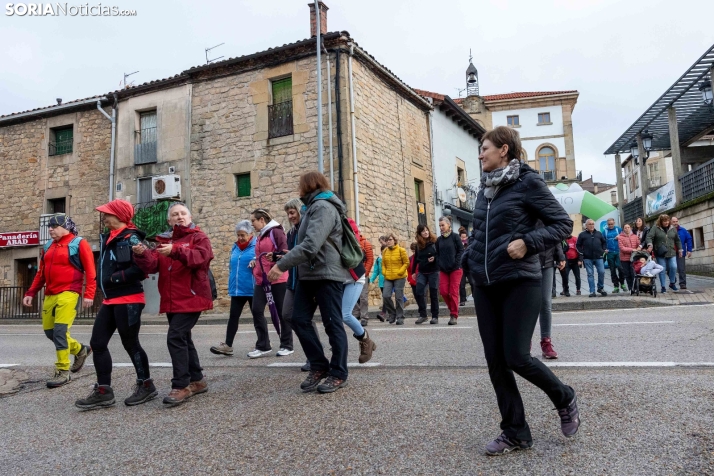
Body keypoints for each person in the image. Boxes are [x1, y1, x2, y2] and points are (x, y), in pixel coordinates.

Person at [465, 126, 578, 455]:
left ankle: (564, 397)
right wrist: (469, 259)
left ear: (504, 150)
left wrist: (528, 243)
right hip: (486, 284)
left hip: (520, 280)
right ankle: (515, 431)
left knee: (515, 355)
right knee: (496, 361)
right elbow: (480, 234)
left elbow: (562, 224)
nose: (480, 153)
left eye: (484, 147)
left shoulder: (527, 182)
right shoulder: (484, 190)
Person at [266, 171, 350, 394]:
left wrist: (281, 264)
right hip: (309, 274)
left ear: (307, 186)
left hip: (327, 274)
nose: (298, 188)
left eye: (300, 184)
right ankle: (319, 365)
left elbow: (311, 245)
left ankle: (339, 372)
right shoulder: (311, 208)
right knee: (298, 319)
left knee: (332, 323)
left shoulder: (323, 207)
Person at [75, 200, 156, 410]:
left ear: (120, 216)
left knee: (131, 343)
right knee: (98, 343)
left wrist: (115, 279)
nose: (104, 217)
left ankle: (146, 385)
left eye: (107, 214)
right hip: (110, 299)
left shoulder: (132, 237)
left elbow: (142, 269)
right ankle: (104, 391)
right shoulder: (109, 237)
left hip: (129, 299)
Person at [132, 203, 213, 407]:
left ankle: (181, 385)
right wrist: (142, 254)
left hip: (192, 297)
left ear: (190, 216)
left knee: (175, 336)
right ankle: (197, 380)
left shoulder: (198, 237)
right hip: (171, 299)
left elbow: (201, 259)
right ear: (169, 220)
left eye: (183, 213)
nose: (179, 217)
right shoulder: (164, 240)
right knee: (184, 338)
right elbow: (152, 266)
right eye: (175, 214)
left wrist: (176, 250)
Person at [23, 214, 95, 388]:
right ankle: (80, 350)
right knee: (50, 333)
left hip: (69, 293)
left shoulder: (79, 243)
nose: (50, 229)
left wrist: (89, 294)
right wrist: (31, 292)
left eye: (54, 226)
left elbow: (90, 271)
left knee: (60, 332)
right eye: (49, 226)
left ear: (66, 227)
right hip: (50, 294)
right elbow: (41, 273)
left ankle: (63, 371)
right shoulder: (47, 246)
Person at [246, 209, 292, 358]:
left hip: (278, 278)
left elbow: (285, 252)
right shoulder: (261, 234)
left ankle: (287, 344)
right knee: (257, 310)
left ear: (262, 220)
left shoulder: (276, 232)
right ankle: (263, 345)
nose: (251, 224)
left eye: (253, 221)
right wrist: (255, 260)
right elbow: (261, 254)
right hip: (262, 279)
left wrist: (275, 259)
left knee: (281, 312)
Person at [210, 220, 256, 356]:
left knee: (257, 317)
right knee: (233, 317)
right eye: (238, 235)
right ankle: (228, 345)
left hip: (253, 289)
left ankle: (264, 343)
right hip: (237, 289)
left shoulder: (257, 245)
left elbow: (263, 262)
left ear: (250, 234)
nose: (240, 238)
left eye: (243, 235)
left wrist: (256, 261)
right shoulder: (235, 247)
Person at [537, 228, 566, 360]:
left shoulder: (547, 213)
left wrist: (560, 255)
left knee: (545, 303)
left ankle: (546, 341)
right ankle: (524, 342)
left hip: (547, 262)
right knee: (527, 304)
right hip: (528, 262)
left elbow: (556, 235)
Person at [645, 214, 682, 293]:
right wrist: (650, 245)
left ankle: (672, 283)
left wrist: (680, 250)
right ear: (661, 221)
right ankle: (663, 286)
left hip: (671, 251)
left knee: (674, 267)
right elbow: (649, 237)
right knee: (662, 269)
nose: (666, 222)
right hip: (660, 252)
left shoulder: (673, 229)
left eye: (668, 221)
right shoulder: (655, 228)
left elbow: (677, 240)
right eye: (664, 221)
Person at [436, 217, 464, 326]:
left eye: (443, 225)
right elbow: (437, 254)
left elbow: (461, 251)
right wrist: (439, 263)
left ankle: (453, 315)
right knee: (443, 291)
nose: (441, 228)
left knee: (453, 292)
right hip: (443, 269)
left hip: (456, 269)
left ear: (448, 225)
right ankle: (453, 308)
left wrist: (456, 263)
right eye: (440, 226)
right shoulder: (439, 240)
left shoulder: (455, 237)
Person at [412, 224, 439, 325]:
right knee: (419, 292)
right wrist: (413, 271)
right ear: (419, 234)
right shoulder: (418, 245)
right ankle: (423, 315)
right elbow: (416, 259)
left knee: (433, 293)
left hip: (434, 271)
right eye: (423, 231)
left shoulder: (435, 242)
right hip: (422, 272)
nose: (426, 232)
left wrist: (435, 258)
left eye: (427, 230)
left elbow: (439, 254)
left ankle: (435, 316)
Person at [381, 234, 409, 325]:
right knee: (386, 295)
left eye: (390, 239)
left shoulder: (401, 250)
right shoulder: (385, 251)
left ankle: (400, 317)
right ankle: (392, 313)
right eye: (387, 240)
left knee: (398, 297)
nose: (388, 241)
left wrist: (400, 272)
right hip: (388, 277)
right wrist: (384, 272)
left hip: (399, 276)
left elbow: (406, 262)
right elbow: (383, 264)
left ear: (394, 241)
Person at [576, 219, 608, 298]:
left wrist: (603, 250)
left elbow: (604, 242)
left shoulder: (599, 233)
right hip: (587, 258)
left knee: (602, 272)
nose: (591, 225)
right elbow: (578, 245)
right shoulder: (582, 234)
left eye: (593, 224)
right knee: (590, 274)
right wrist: (582, 252)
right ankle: (592, 291)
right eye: (590, 224)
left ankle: (600, 288)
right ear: (586, 225)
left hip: (599, 256)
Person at [352, 227, 374, 326]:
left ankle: (364, 316)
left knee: (363, 296)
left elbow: (370, 259)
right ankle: (356, 314)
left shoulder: (366, 243)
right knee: (352, 296)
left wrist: (366, 272)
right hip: (351, 274)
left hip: (362, 273)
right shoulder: (349, 243)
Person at [604, 218, 626, 293]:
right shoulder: (605, 231)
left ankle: (622, 283)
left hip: (618, 252)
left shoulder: (619, 229)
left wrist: (619, 237)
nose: (610, 225)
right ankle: (616, 286)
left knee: (621, 268)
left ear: (614, 223)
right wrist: (604, 249)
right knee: (612, 270)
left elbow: (624, 237)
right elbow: (602, 241)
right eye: (609, 224)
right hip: (610, 253)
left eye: (612, 224)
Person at [616, 223, 640, 294]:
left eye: (628, 227)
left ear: (631, 228)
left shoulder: (635, 236)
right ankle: (630, 288)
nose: (627, 229)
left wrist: (639, 247)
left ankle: (635, 287)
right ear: (623, 229)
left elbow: (639, 244)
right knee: (627, 274)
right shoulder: (620, 237)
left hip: (634, 258)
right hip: (624, 258)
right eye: (625, 228)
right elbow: (622, 248)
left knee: (633, 273)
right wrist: (632, 249)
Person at [671, 216, 693, 290]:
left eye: (676, 221)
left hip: (680, 252)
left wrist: (689, 250)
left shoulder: (683, 230)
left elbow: (689, 239)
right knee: (671, 268)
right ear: (671, 222)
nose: (675, 223)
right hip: (671, 253)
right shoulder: (668, 230)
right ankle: (672, 281)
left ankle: (682, 284)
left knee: (681, 269)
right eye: (673, 222)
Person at [559, 229, 581, 296]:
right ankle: (565, 289)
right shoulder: (562, 240)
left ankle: (578, 289)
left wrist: (580, 260)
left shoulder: (575, 239)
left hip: (575, 260)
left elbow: (579, 250)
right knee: (565, 276)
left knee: (577, 276)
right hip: (566, 261)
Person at [458, 227, 475, 306]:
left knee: (472, 282)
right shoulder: (458, 245)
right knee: (462, 284)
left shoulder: (470, 244)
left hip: (469, 267)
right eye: (462, 237)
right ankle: (462, 299)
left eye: (465, 237)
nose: (464, 239)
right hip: (461, 267)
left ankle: (475, 297)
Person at [369, 246, 386, 322]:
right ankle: (388, 313)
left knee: (387, 297)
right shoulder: (378, 259)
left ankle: (384, 313)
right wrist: (371, 280)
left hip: (391, 280)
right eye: (382, 250)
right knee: (386, 297)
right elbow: (376, 271)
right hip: (382, 282)